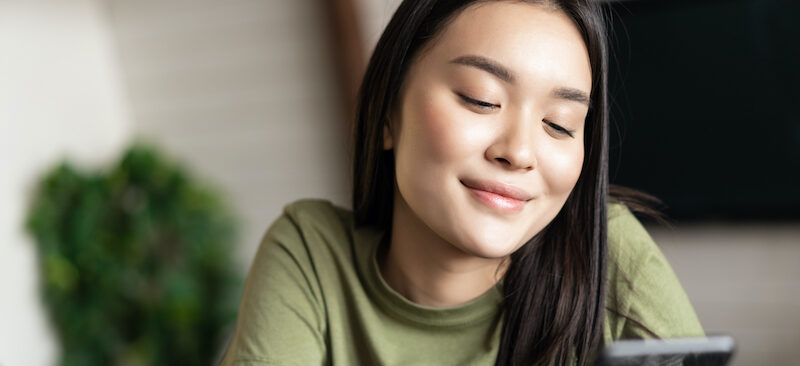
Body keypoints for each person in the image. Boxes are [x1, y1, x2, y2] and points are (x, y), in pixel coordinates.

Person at [219, 0, 704, 365]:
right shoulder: (312, 254)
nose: (518, 152)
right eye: (481, 99)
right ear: (388, 112)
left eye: (559, 124)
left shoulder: (606, 250)